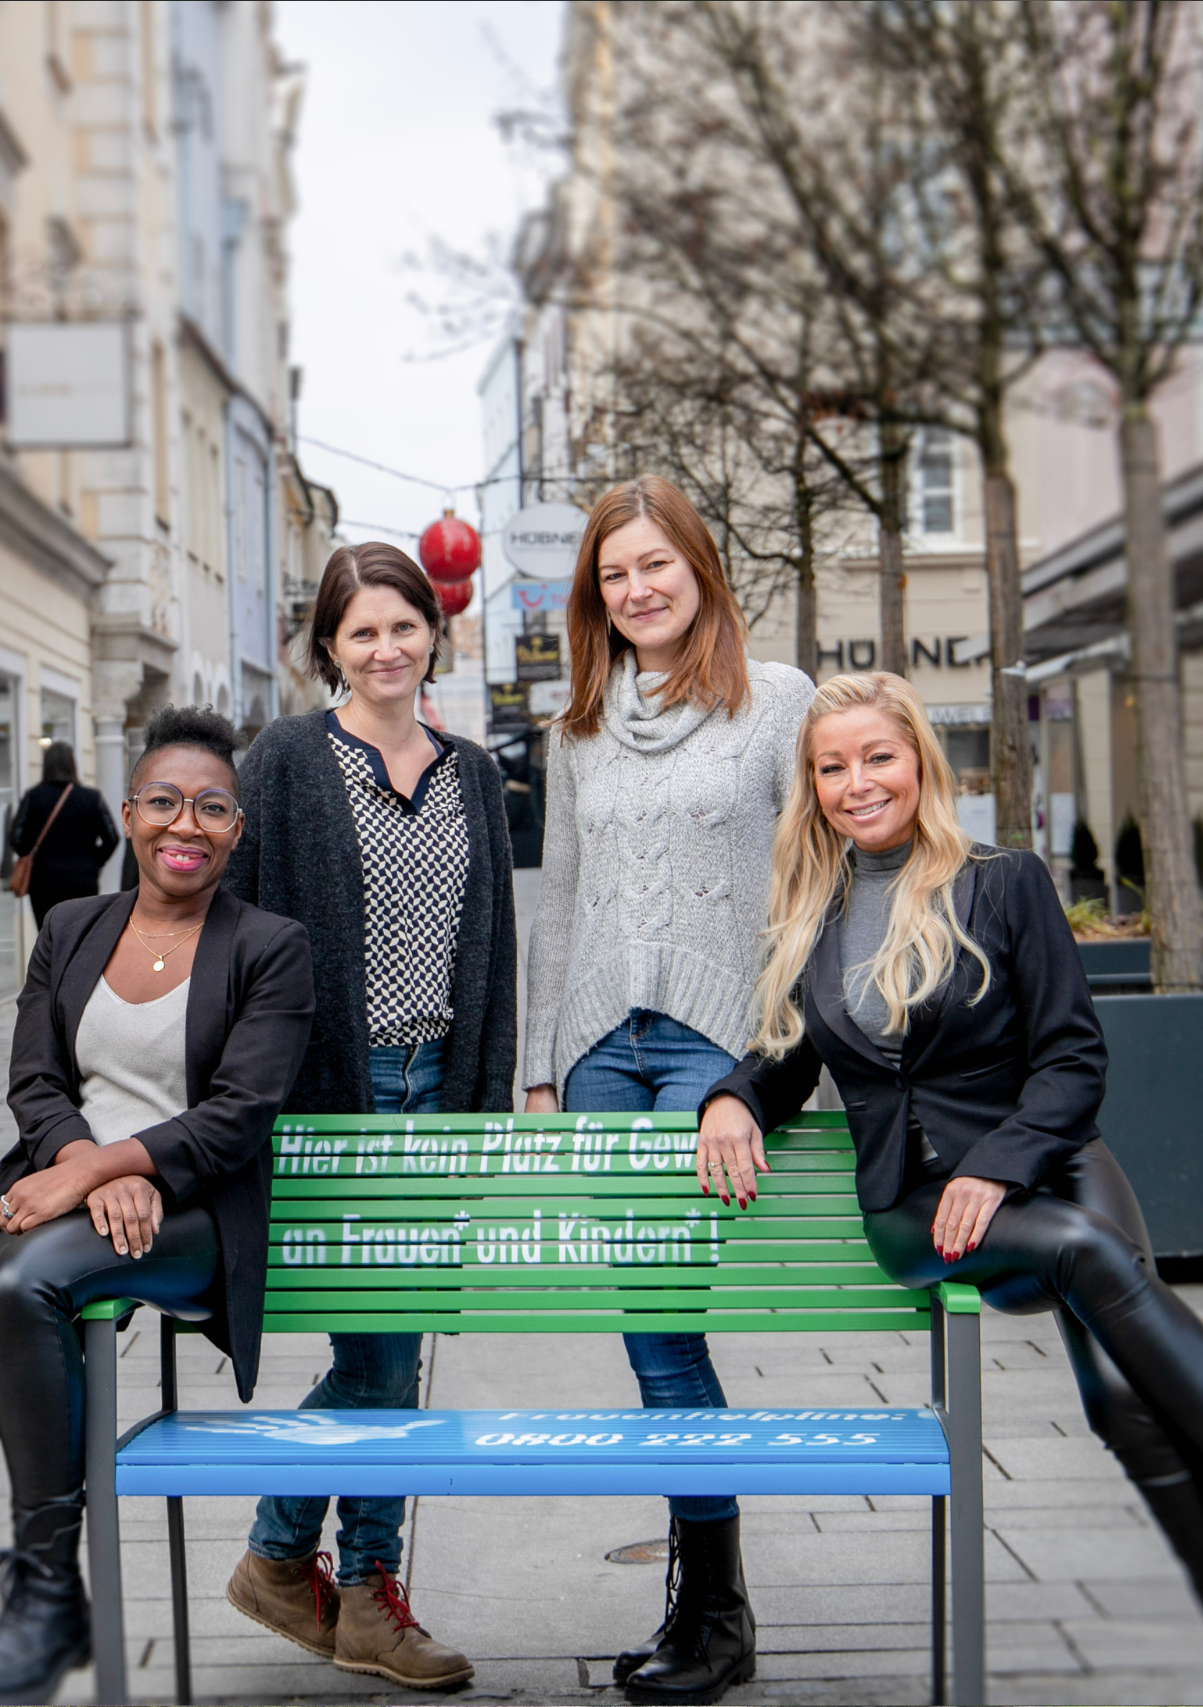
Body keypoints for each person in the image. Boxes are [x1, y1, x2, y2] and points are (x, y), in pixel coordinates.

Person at [702, 672, 1203, 1707]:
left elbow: (1071, 1060)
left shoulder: (1004, 880)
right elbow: (787, 1063)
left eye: (877, 757)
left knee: (1126, 1402)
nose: (856, 784)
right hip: (916, 1208)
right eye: (831, 767)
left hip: (1047, 1160)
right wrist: (732, 1098)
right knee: (1084, 1251)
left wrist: (998, 1163)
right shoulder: (815, 907)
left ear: (919, 763)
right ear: (812, 787)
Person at [0, 706, 313, 1707]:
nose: (184, 824)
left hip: (195, 1212)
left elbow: (238, 1116)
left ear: (236, 829)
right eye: (164, 802)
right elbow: (35, 1084)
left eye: (210, 807)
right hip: (72, 1194)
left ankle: (44, 1594)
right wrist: (88, 1167)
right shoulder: (72, 929)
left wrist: (117, 1168)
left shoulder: (269, 947)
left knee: (26, 1285)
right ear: (131, 814)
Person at [520, 475, 814, 1702]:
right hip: (600, 1048)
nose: (637, 589)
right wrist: (541, 1067)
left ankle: (714, 1610)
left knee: (660, 1315)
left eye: (657, 565)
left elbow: (814, 900)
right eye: (614, 574)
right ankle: (709, 1608)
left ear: (700, 567)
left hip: (713, 1048)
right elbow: (561, 897)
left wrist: (761, 1077)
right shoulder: (576, 722)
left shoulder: (779, 704)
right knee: (650, 1316)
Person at [217, 541, 513, 1689]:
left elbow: (492, 944)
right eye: (361, 633)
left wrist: (483, 1101)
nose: (385, 649)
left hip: (434, 1087)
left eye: (403, 626)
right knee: (383, 1352)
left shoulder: (474, 773)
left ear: (431, 632)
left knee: (390, 1348)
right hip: (330, 1096)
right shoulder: (287, 759)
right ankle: (324, 1574)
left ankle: (307, 1572)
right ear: (326, 649)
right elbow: (233, 932)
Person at [10, 737, 121, 926]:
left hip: (43, 880)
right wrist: (94, 861)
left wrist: (29, 851)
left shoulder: (33, 797)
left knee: (49, 935)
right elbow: (112, 838)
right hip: (82, 878)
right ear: (72, 765)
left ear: (46, 765)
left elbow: (15, 836)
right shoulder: (91, 798)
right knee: (79, 933)